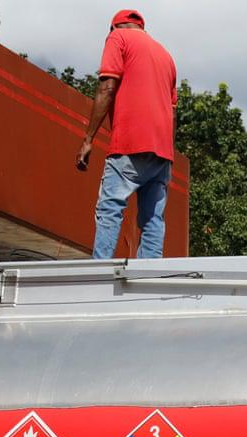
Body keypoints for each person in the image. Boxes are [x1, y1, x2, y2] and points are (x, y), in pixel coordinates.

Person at [76, 9, 177, 259]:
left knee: (110, 208)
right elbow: (172, 112)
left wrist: (88, 139)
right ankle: (149, 277)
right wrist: (168, 153)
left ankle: (100, 271)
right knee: (153, 219)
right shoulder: (166, 55)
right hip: (162, 151)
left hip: (130, 144)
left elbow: (107, 87)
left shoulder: (117, 39)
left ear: (114, 28)